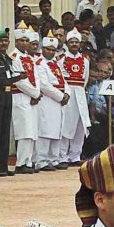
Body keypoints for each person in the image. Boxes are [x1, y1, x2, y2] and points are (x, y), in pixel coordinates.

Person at [35, 32, 70, 172]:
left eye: (52, 50)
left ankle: (54, 159)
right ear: (42, 49)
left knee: (57, 130)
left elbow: (65, 80)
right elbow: (44, 85)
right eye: (47, 49)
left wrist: (67, 93)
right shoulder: (39, 63)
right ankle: (42, 160)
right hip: (48, 100)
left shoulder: (56, 63)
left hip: (59, 100)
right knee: (45, 130)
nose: (50, 52)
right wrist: (61, 96)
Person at [11, 25, 41, 174]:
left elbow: (36, 77)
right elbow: (19, 81)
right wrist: (35, 93)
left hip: (32, 97)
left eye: (26, 40)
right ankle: (21, 162)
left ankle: (28, 161)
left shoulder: (30, 58)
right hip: (20, 96)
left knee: (32, 131)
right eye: (21, 40)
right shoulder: (14, 57)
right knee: (24, 131)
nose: (24, 43)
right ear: (16, 41)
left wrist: (37, 93)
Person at [59, 29, 90, 166]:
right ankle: (63, 155)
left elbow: (86, 79)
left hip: (80, 94)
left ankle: (75, 155)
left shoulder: (85, 61)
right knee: (66, 125)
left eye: (76, 42)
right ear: (67, 43)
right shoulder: (61, 59)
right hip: (68, 94)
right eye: (72, 42)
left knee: (80, 125)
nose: (74, 44)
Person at [0, 28, 17, 177]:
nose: (4, 43)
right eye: (1, 41)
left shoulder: (8, 60)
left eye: (6, 40)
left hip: (8, 94)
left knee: (5, 131)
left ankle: (4, 165)